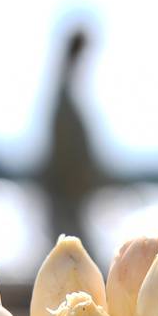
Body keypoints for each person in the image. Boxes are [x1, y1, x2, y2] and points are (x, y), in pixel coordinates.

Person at [38, 26, 105, 247]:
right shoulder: (63, 97)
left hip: (69, 194)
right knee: (70, 251)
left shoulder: (62, 92)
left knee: (67, 250)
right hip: (65, 195)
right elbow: (65, 151)